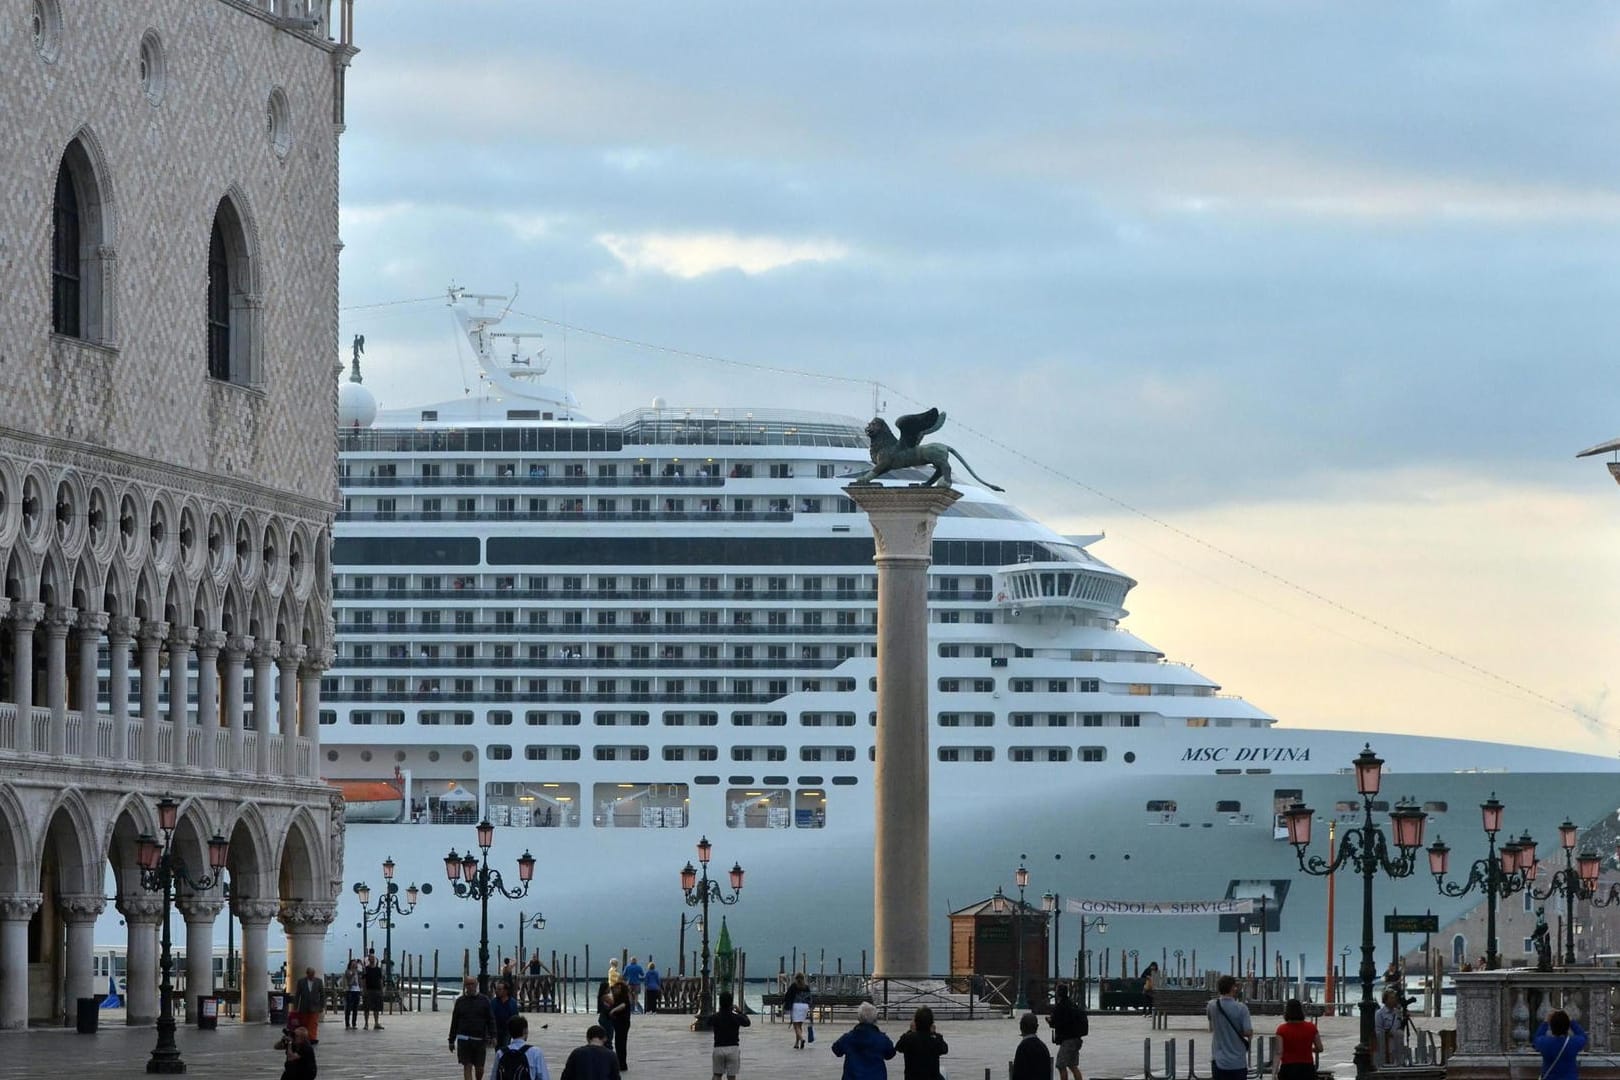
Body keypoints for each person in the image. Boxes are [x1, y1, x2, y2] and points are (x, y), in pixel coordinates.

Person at [449, 975, 497, 1080]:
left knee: (479, 1068)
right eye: (468, 984)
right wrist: (451, 1040)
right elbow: (454, 1021)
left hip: (479, 1039)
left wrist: (493, 1036)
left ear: (476, 985)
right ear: (465, 986)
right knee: (467, 1066)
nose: (470, 987)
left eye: (472, 984)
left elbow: (491, 1019)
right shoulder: (460, 1001)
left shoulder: (484, 1000)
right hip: (464, 1039)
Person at [832, 1001, 895, 1080]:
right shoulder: (882, 1038)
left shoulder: (849, 1037)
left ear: (859, 1018)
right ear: (875, 1019)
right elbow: (890, 1054)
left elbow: (836, 1050)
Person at [1206, 974, 1252, 1080]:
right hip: (1238, 1062)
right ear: (1233, 988)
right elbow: (1247, 1031)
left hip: (1218, 1060)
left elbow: (1211, 1021)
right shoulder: (1242, 1008)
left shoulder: (1212, 1005)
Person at [1047, 982, 1088, 1080]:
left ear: (1058, 993)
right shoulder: (1072, 1004)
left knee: (1061, 1065)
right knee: (1072, 1065)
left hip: (1067, 1040)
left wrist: (1049, 1020)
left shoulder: (1060, 1006)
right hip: (1076, 1039)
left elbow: (1054, 1023)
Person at [894, 1005, 948, 1080]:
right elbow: (944, 1049)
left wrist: (911, 1031)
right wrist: (934, 1033)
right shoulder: (936, 1039)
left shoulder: (908, 1038)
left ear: (916, 1022)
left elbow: (898, 1047)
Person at [1274, 998, 1323, 1080]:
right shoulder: (1311, 1027)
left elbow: (1279, 1052)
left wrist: (1274, 1073)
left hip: (1288, 1068)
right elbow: (1320, 1048)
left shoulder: (1281, 1029)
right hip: (1307, 1068)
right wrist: (1309, 1049)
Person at [709, 989, 751, 1080]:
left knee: (717, 1074)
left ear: (720, 1003)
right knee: (731, 1076)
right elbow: (747, 1023)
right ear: (731, 1003)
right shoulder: (736, 1017)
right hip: (733, 1048)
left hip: (718, 1048)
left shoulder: (716, 1017)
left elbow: (708, 1022)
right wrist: (740, 1012)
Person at [1534, 1009, 1587, 1080]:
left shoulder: (1544, 1043)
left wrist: (1546, 1021)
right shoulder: (1573, 1042)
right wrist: (1571, 1021)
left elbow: (1536, 1037)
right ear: (1568, 1027)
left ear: (1552, 1027)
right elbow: (1584, 1036)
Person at [498, 1015, 553, 1080]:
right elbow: (544, 1077)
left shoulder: (500, 1053)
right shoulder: (536, 1052)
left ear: (509, 1032)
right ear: (525, 1030)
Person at [1011, 1011, 1051, 1080]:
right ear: (1037, 1027)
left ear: (1021, 1027)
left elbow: (1018, 1074)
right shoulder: (1043, 1047)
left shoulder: (1023, 1048)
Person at [293, 966, 325, 1045]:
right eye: (310, 974)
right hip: (304, 1006)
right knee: (304, 1023)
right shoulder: (301, 982)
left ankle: (312, 1038)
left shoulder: (319, 981)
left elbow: (322, 994)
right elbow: (297, 995)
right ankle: (304, 1038)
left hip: (315, 1006)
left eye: (313, 974)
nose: (312, 976)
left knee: (313, 1023)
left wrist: (322, 1006)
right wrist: (295, 1007)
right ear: (307, 974)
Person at [1374, 988, 1406, 1066]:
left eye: (1394, 998)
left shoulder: (1397, 1012)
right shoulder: (1380, 1013)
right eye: (1391, 998)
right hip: (1386, 1044)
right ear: (1385, 1000)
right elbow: (1378, 1030)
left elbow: (1400, 1027)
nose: (1394, 1000)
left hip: (1398, 1044)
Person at [608, 980, 632, 1071]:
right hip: (618, 1023)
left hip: (623, 1023)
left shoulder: (624, 997)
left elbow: (623, 1005)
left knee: (621, 1043)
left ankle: (622, 1064)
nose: (615, 990)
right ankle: (620, 1062)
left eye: (617, 988)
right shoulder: (617, 997)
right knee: (619, 1043)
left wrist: (613, 1011)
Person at [784, 972, 811, 1050]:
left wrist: (786, 1005)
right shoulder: (806, 987)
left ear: (796, 978)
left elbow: (787, 996)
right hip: (805, 1006)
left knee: (796, 1026)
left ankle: (802, 1039)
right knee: (800, 1025)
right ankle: (796, 1043)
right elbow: (810, 997)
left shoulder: (794, 986)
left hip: (796, 1006)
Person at [492, 980, 521, 1051]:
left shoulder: (512, 1002)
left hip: (507, 1030)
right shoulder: (493, 1002)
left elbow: (516, 1016)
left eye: (499, 989)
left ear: (505, 991)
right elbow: (490, 1016)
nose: (496, 991)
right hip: (496, 1030)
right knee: (498, 1049)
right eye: (496, 989)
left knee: (505, 1046)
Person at [361, 953, 385, 1030]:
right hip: (368, 990)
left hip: (377, 990)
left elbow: (380, 980)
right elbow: (363, 980)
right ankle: (366, 1024)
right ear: (368, 960)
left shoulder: (378, 969)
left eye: (373, 958)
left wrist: (381, 990)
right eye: (370, 958)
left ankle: (376, 1023)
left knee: (376, 1008)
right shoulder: (366, 969)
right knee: (366, 1008)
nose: (372, 959)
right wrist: (364, 990)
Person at [342, 959, 361, 1030]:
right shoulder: (348, 971)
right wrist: (353, 973)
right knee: (348, 1008)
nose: (354, 965)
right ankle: (347, 1024)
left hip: (357, 990)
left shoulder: (357, 972)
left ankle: (354, 1023)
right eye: (353, 963)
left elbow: (360, 979)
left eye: (355, 964)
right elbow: (349, 981)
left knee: (355, 1008)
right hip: (350, 991)